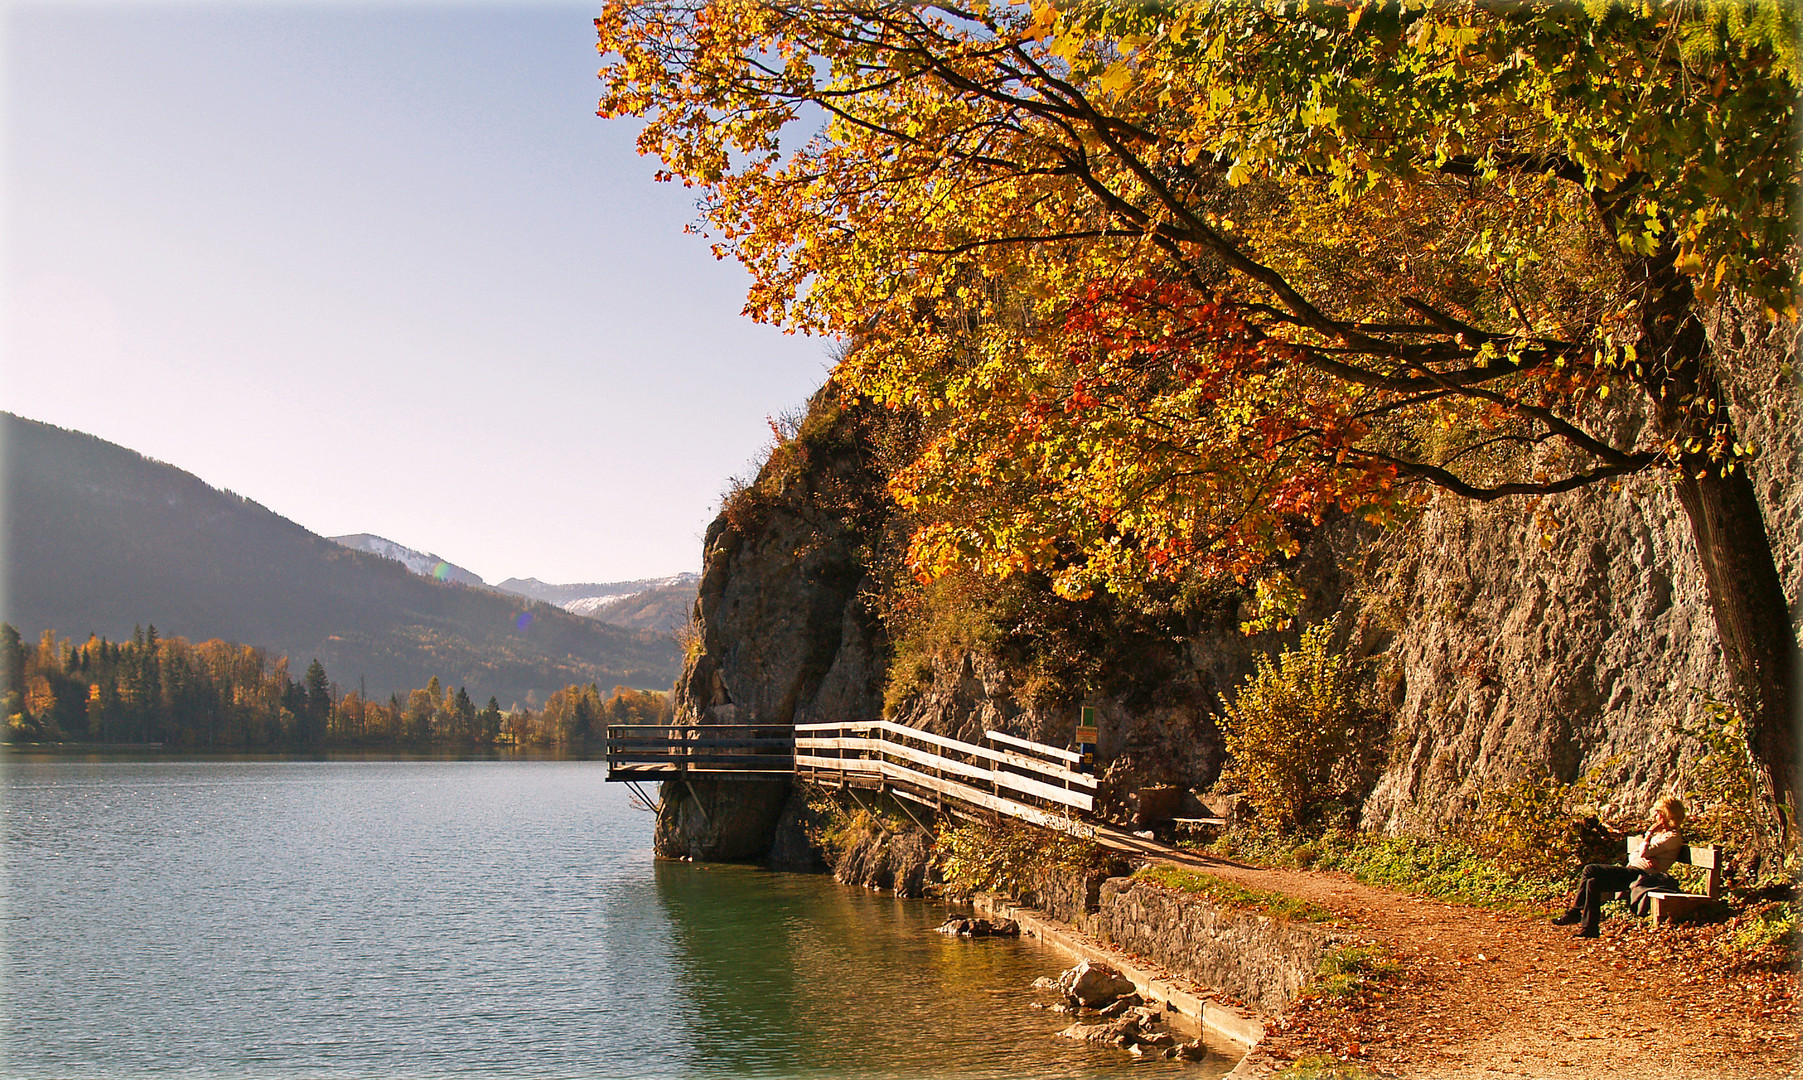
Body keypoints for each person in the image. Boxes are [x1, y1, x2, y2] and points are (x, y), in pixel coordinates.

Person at [1551, 796, 1685, 937]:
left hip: (1643, 876)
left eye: (1658, 812)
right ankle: (1589, 929)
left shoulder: (1672, 837)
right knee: (1593, 882)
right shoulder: (1661, 835)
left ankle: (1574, 912)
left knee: (1590, 869)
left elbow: (1644, 851)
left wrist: (1648, 835)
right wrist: (1646, 854)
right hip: (1633, 871)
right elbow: (1635, 854)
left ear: (1667, 814)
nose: (1655, 815)